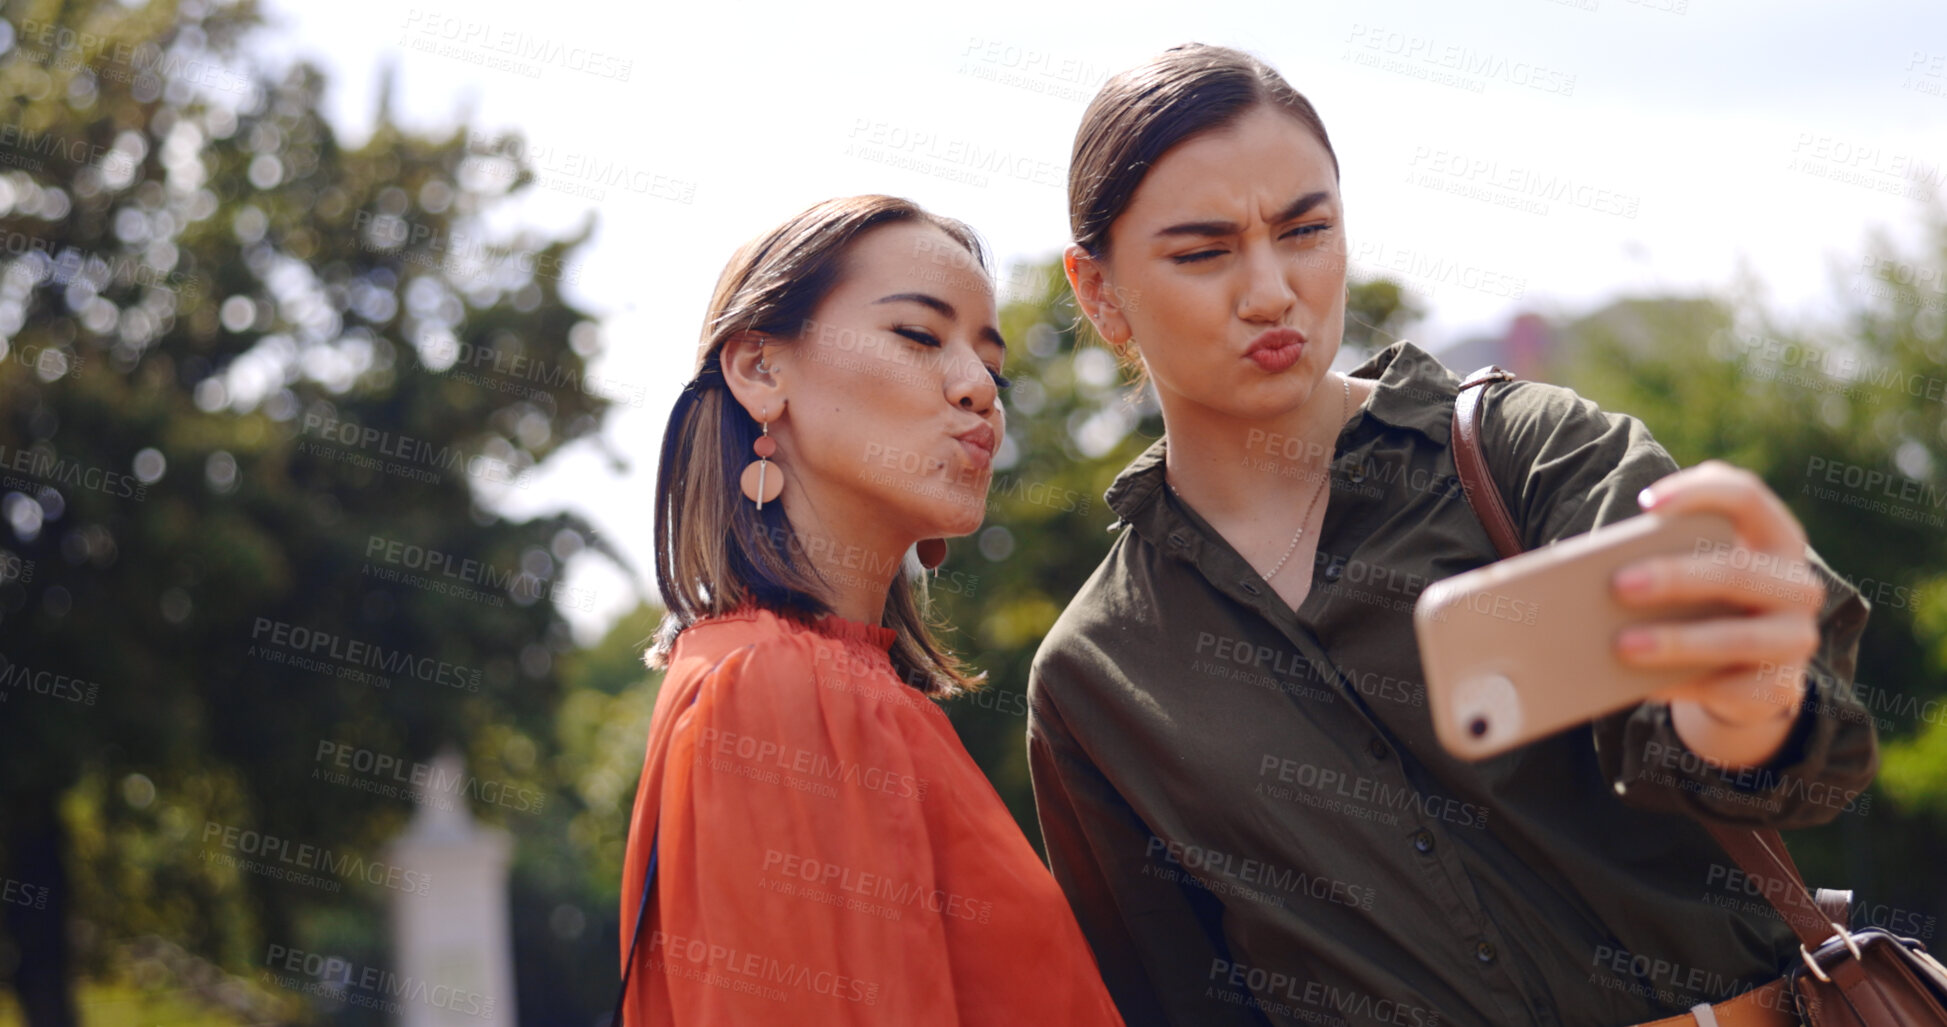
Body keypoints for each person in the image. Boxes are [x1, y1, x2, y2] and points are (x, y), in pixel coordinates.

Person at [1026, 44, 1878, 1027]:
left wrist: (1746, 701)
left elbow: (1813, 756)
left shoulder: (1530, 454)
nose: (1270, 290)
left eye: (1306, 229)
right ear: (1097, 291)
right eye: (1204, 250)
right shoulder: (1097, 674)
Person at [618, 194, 1126, 1026]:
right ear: (759, 369)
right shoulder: (773, 687)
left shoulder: (843, 687)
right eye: (919, 337)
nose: (978, 390)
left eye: (991, 368)